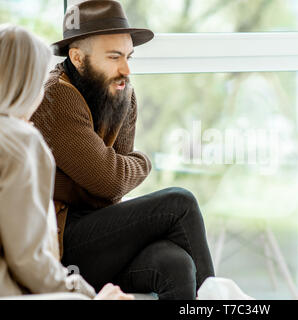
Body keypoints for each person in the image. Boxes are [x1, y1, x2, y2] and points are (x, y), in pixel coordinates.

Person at [31, 0, 214, 300]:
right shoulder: (56, 98)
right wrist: (141, 161)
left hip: (103, 235)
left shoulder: (122, 93)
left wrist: (94, 178)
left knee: (176, 264)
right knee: (180, 203)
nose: (126, 69)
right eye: (114, 57)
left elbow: (111, 191)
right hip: (62, 244)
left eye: (129, 56)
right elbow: (111, 180)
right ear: (77, 58)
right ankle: (218, 302)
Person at [0, 23, 133, 300]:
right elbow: (28, 260)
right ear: (28, 86)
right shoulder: (21, 141)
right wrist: (86, 294)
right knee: (180, 203)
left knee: (172, 260)